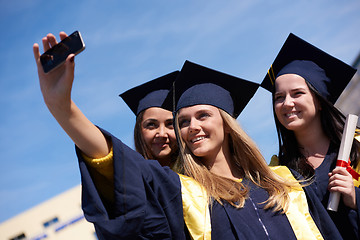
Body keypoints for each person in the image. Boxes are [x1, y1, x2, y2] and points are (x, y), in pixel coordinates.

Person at [34, 32, 339, 239]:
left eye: (203, 115)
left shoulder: (287, 184)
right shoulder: (183, 194)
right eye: (182, 121)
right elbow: (124, 166)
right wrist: (63, 107)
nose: (191, 126)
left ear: (227, 124)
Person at [261, 33, 360, 239]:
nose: (287, 103)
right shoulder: (278, 171)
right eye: (279, 97)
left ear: (319, 99)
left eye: (297, 93)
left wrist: (354, 198)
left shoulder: (356, 147)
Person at [119, 71, 179, 167]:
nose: (162, 134)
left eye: (170, 124)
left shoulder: (196, 177)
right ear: (139, 130)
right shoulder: (130, 174)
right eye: (151, 125)